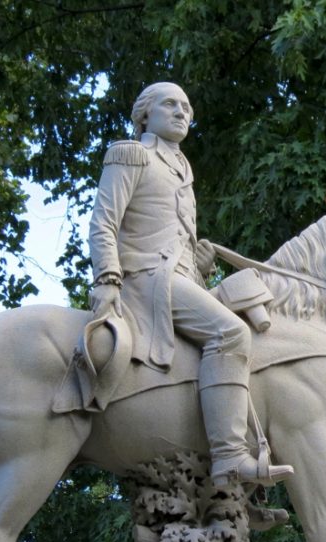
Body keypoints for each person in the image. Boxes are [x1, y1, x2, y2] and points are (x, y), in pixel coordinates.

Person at [86, 82, 292, 487]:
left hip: (178, 280)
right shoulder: (131, 154)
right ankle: (230, 456)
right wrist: (107, 278)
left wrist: (198, 265)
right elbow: (103, 222)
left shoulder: (181, 169)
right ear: (145, 114)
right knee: (230, 334)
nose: (182, 112)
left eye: (186, 107)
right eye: (170, 104)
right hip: (146, 279)